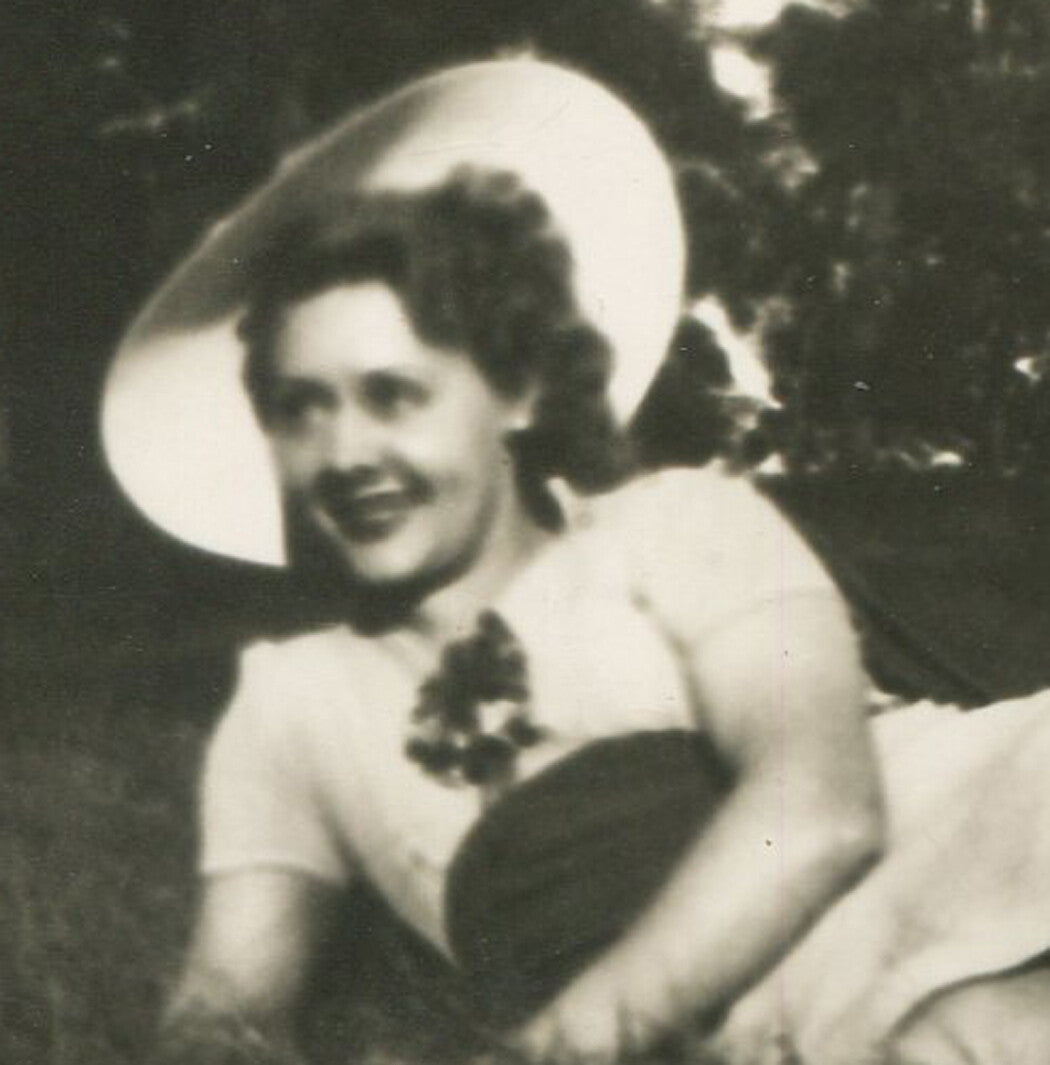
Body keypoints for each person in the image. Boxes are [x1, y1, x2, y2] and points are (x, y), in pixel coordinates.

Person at [102, 60, 1050, 1065]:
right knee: (960, 1038)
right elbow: (228, 1002)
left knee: (982, 1033)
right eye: (301, 410)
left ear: (516, 394)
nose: (345, 456)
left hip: (976, 825)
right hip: (834, 998)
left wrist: (557, 1044)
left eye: (393, 396)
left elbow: (819, 813)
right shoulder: (297, 702)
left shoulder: (676, 525)